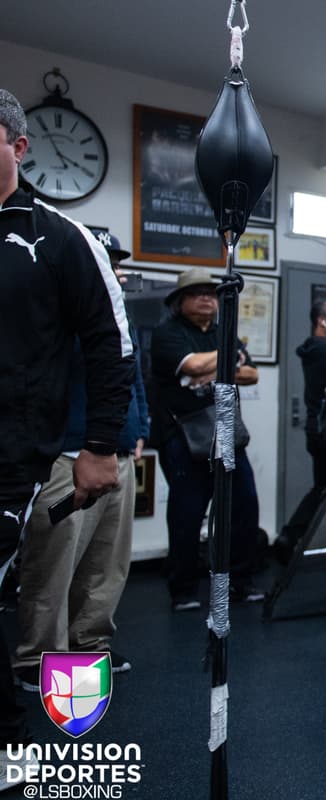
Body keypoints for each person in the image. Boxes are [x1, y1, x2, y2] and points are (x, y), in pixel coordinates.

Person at [0, 88, 135, 778]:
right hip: (44, 449)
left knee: (83, 571)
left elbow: (113, 350)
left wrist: (104, 445)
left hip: (27, 454)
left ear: (17, 147)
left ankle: (20, 731)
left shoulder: (57, 240)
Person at [12, 231, 150, 690]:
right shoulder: (55, 307)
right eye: (107, 262)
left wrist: (139, 428)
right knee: (53, 561)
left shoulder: (119, 313)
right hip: (68, 453)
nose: (115, 271)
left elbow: (132, 377)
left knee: (107, 561)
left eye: (116, 263)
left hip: (117, 453)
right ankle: (37, 657)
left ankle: (89, 643)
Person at [150, 269, 264, 611]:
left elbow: (252, 374)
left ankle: (241, 582)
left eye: (210, 293)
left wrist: (215, 366)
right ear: (180, 301)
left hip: (227, 432)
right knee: (186, 514)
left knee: (244, 506)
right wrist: (228, 356)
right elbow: (192, 366)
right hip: (183, 436)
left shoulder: (220, 331)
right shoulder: (167, 333)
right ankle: (183, 589)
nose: (205, 298)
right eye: (196, 293)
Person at [274, 299, 326, 569]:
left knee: (324, 487)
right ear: (322, 320)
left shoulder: (314, 348)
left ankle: (292, 536)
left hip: (318, 430)